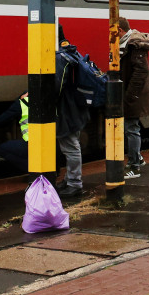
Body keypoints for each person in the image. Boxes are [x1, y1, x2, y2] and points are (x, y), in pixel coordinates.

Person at [54, 27, 90, 198]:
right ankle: (69, 180)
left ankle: (75, 184)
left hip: (65, 108)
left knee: (70, 146)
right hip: (74, 106)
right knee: (71, 143)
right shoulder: (69, 51)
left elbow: (56, 87)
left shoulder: (59, 57)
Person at [118, 17, 149, 178]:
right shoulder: (129, 43)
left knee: (131, 129)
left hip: (134, 95)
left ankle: (134, 166)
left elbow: (141, 72)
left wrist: (130, 95)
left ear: (119, 30)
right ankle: (137, 158)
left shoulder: (134, 46)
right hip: (132, 93)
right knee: (131, 128)